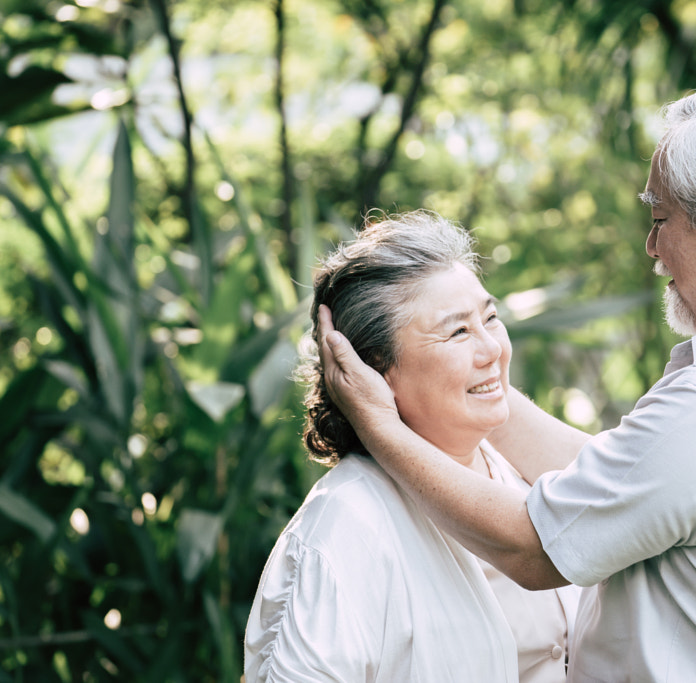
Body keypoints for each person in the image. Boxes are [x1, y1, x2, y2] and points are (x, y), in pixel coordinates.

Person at [318, 74, 696, 682]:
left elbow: (535, 544)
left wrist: (381, 423)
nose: (652, 246)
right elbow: (643, 485)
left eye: (663, 217)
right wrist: (478, 374)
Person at [244, 210, 579, 682]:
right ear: (376, 370)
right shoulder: (347, 525)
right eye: (458, 331)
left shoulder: (522, 470)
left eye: (491, 318)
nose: (493, 350)